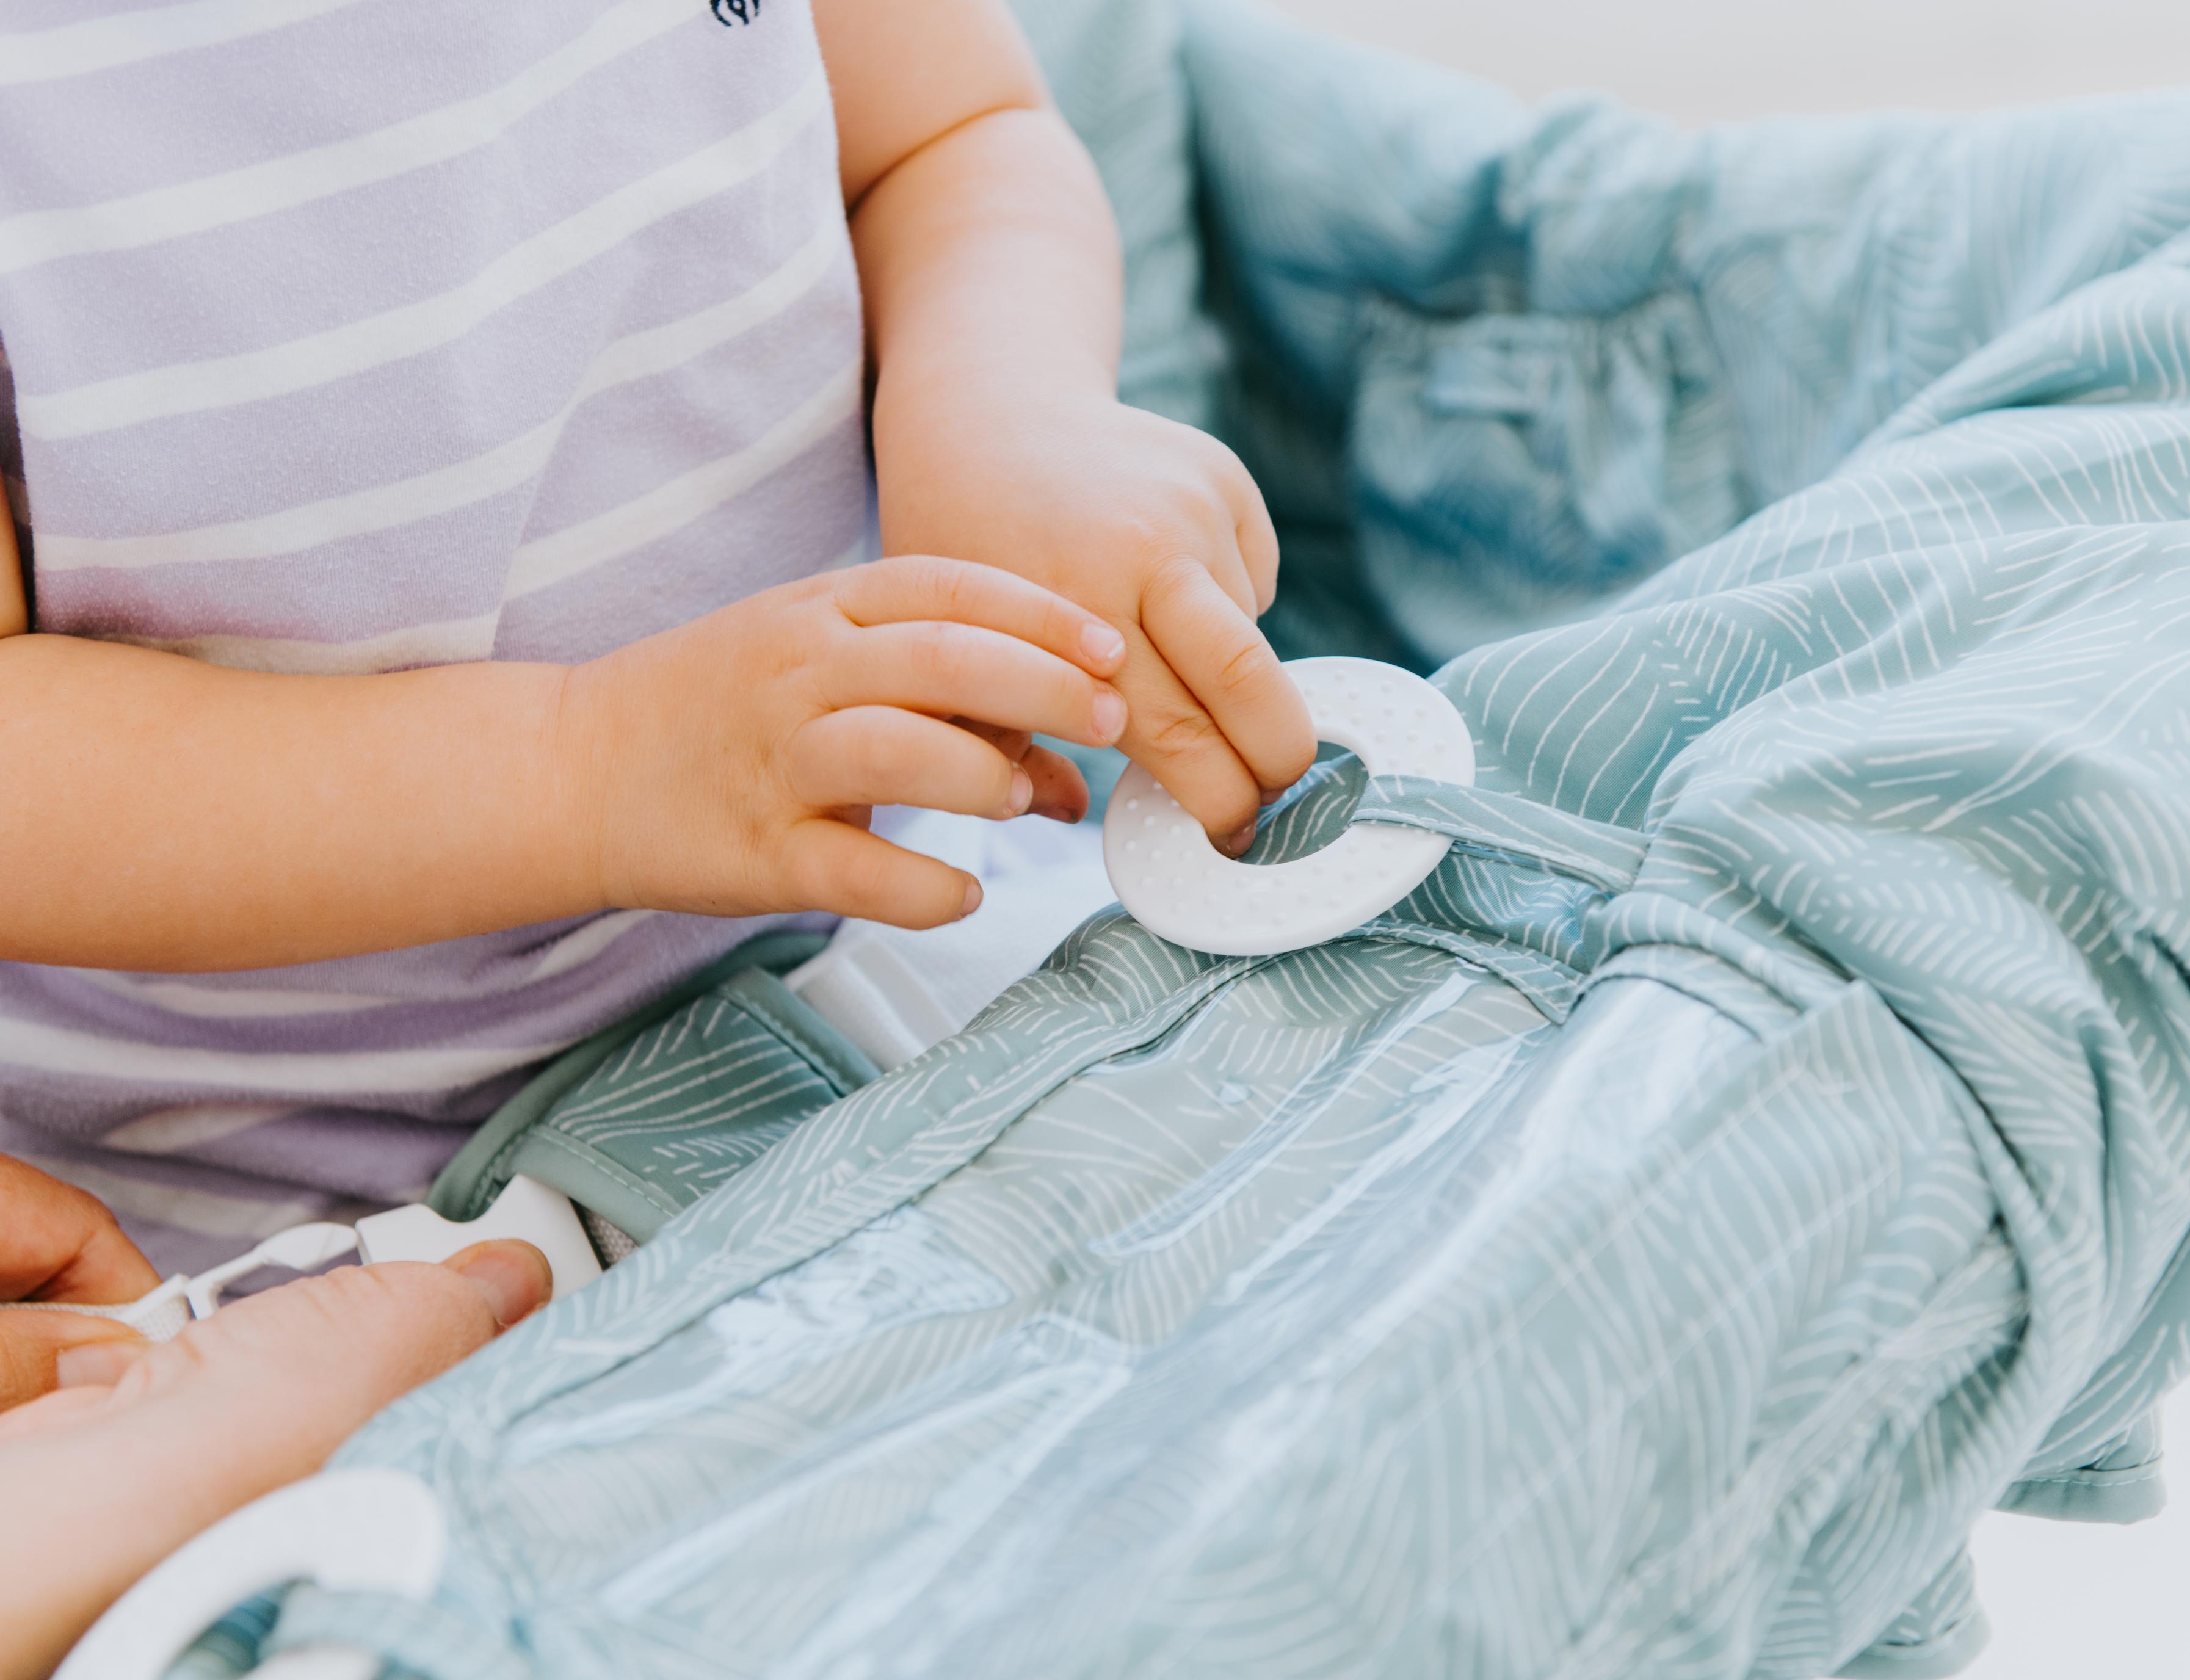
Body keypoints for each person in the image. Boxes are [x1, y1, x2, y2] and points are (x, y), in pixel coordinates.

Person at [0, 0, 1311, 1667]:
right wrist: (588, 768)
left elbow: (951, 134)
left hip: (900, 968)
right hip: (286, 1223)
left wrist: (1000, 417)